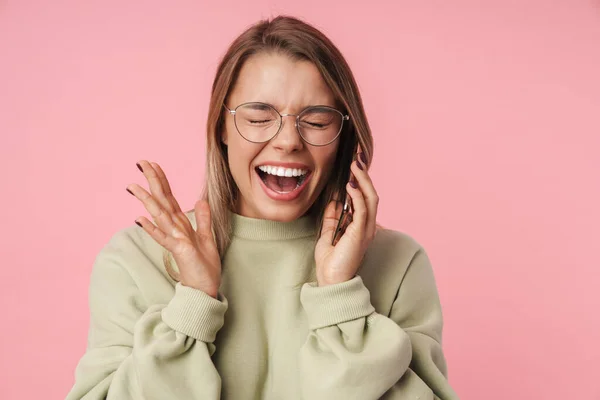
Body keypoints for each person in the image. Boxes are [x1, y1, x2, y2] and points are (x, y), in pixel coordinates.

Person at [66, 15, 459, 400]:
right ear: (221, 125)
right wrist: (192, 304)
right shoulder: (136, 259)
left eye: (317, 121)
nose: (288, 140)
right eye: (258, 116)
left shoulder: (397, 262)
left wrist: (341, 300)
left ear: (343, 135)